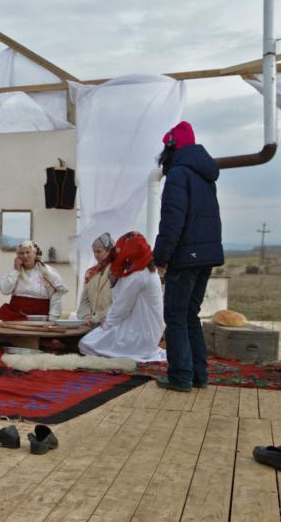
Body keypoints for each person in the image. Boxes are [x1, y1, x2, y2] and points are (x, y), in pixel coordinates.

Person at [153, 121, 224, 392]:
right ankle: (198, 374)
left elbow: (172, 221)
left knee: (175, 315)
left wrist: (161, 256)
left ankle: (180, 376)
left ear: (172, 148)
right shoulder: (205, 176)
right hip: (206, 254)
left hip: (185, 256)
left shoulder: (179, 174)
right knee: (190, 315)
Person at [78, 231, 166, 362]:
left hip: (137, 334)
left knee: (85, 343)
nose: (96, 256)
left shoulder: (137, 275)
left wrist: (105, 325)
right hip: (145, 332)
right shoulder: (147, 272)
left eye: (99, 251)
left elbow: (120, 308)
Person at [0, 240, 68, 322]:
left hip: (39, 316)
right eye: (21, 253)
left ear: (35, 254)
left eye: (28, 252)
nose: (25, 255)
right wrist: (16, 271)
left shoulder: (47, 271)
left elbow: (57, 293)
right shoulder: (13, 270)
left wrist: (53, 317)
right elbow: (5, 290)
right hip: (15, 314)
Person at [77, 233, 115, 326]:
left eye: (99, 251)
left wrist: (98, 317)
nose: (96, 255)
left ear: (109, 251)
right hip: (91, 324)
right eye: (94, 252)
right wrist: (86, 317)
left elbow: (119, 302)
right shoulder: (90, 273)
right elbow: (84, 301)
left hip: (111, 323)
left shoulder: (117, 272)